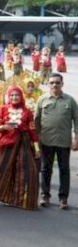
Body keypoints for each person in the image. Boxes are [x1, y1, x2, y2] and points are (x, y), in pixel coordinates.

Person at [0, 86, 40, 210]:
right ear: (8, 97)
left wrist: (36, 148)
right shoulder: (3, 109)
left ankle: (21, 200)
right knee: (4, 169)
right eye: (11, 95)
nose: (14, 97)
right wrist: (3, 127)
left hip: (23, 143)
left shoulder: (27, 112)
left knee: (26, 171)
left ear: (21, 97)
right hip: (7, 144)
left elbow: (32, 132)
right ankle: (5, 196)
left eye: (17, 95)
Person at [35, 73, 78, 210]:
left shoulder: (70, 101)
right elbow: (36, 121)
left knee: (64, 170)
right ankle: (44, 195)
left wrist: (76, 139)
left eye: (57, 82)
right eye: (52, 82)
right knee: (45, 169)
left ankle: (63, 198)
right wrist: (37, 139)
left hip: (64, 141)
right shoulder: (42, 100)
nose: (54, 85)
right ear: (48, 84)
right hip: (46, 141)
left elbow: (77, 121)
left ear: (62, 84)